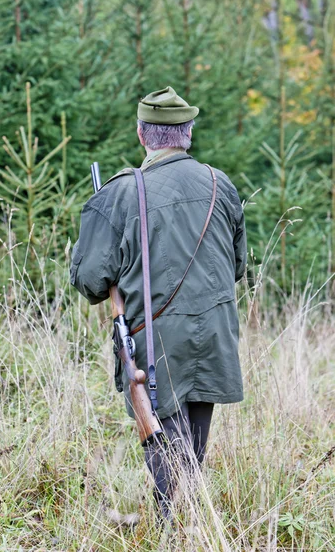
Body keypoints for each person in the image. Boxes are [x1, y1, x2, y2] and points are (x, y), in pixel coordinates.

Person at [70, 86, 247, 522]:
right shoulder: (218, 183)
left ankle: (174, 528)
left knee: (164, 441)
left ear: (141, 134)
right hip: (216, 333)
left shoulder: (120, 194)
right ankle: (187, 523)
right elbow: (238, 265)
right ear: (188, 134)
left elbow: (90, 282)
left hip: (157, 341)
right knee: (192, 443)